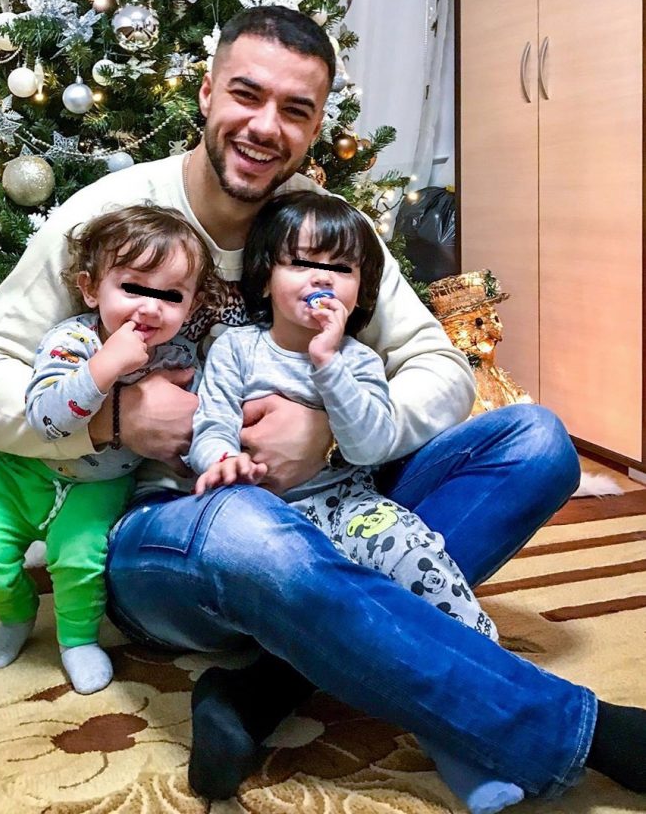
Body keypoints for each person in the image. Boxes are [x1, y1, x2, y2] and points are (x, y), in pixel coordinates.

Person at [0, 6, 646, 805]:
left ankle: (269, 684)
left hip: (326, 505)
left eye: (295, 109)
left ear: (313, 127)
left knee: (536, 442)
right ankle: (579, 734)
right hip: (164, 538)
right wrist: (113, 417)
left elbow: (439, 367)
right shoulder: (114, 215)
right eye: (246, 95)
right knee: (247, 526)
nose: (265, 126)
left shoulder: (322, 228)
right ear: (206, 93)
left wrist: (332, 433)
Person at [189, 189, 524, 814]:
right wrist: (221, 458)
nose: (321, 278)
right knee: (342, 605)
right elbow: (209, 424)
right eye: (300, 262)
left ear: (361, 288)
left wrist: (328, 365)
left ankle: (468, 725)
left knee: (419, 557)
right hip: (264, 518)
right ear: (264, 276)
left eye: (339, 268)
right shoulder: (236, 348)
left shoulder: (358, 359)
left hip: (347, 501)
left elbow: (369, 444)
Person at [0, 205, 221, 693]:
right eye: (133, 288)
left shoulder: (178, 356)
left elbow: (190, 425)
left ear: (192, 305)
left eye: (171, 295)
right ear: (92, 289)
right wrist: (106, 366)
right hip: (22, 475)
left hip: (99, 485)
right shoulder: (72, 340)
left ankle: (76, 640)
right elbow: (45, 419)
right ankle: (16, 613)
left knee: (79, 564)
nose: (150, 308)